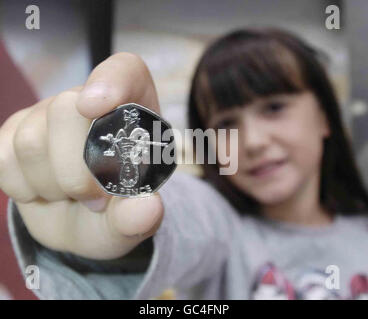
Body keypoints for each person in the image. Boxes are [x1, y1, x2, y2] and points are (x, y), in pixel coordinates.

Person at [1, 28, 368, 300]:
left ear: (325, 117)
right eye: (225, 124)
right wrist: (110, 209)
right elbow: (182, 215)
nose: (253, 141)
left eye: (274, 108)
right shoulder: (224, 228)